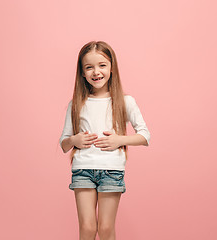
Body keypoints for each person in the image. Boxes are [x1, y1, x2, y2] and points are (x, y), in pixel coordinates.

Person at [59, 40, 150, 240]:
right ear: (82, 73)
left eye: (102, 65)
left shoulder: (126, 101)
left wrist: (120, 140)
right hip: (83, 169)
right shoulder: (76, 104)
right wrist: (75, 139)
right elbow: (64, 143)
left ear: (111, 67)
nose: (96, 72)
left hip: (112, 170)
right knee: (88, 228)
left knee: (106, 229)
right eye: (89, 67)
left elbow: (145, 136)